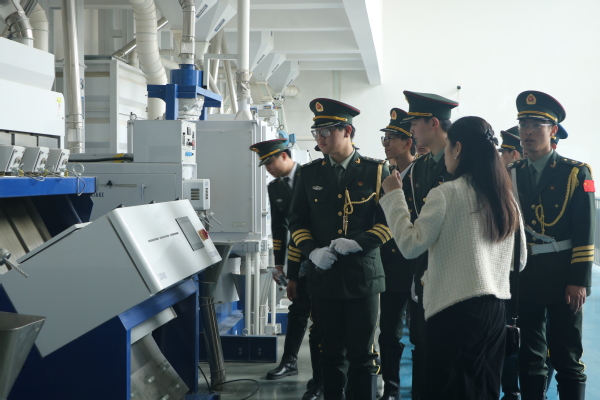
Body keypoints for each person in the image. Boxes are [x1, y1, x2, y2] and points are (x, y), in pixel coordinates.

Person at [380, 116, 526, 400]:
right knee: (484, 389)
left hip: (453, 311)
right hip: (495, 312)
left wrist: (394, 197)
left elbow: (410, 245)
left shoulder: (446, 193)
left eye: (448, 147)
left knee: (446, 390)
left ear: (457, 148)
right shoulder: (506, 197)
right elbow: (518, 262)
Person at [288, 98, 391, 400]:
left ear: (347, 131)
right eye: (316, 132)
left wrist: (359, 243)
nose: (319, 138)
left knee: (362, 354)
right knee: (330, 352)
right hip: (325, 278)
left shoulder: (376, 171)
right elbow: (297, 221)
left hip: (362, 278)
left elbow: (389, 223)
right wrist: (311, 251)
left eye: (326, 131)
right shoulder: (309, 173)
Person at [509, 91, 595, 400]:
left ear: (553, 130)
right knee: (529, 355)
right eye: (524, 125)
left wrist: (579, 280)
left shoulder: (576, 172)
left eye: (536, 125)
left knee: (566, 353)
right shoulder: (512, 173)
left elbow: (585, 230)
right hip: (525, 273)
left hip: (562, 274)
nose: (528, 132)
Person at [249, 139, 323, 400]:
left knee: (322, 315)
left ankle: (324, 374)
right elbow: (279, 227)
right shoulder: (275, 187)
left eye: (270, 161)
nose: (268, 168)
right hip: (296, 257)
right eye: (265, 164)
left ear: (284, 155)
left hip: (321, 254)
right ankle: (289, 361)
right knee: (298, 308)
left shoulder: (312, 176)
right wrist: (279, 262)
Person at [399, 90, 457, 399]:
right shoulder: (419, 168)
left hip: (454, 266)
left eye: (415, 123)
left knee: (451, 348)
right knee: (422, 341)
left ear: (434, 123)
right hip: (422, 267)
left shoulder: (461, 163)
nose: (411, 130)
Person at [378, 108, 416, 400]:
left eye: (393, 138)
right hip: (390, 265)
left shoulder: (424, 174)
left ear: (408, 142)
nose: (387, 143)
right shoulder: (381, 174)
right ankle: (390, 389)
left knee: (422, 334)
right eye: (385, 137)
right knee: (388, 332)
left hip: (418, 266)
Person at [497, 125, 525, 400]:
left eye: (503, 151)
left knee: (531, 332)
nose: (500, 156)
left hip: (526, 270)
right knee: (509, 330)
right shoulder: (501, 184)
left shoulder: (513, 184)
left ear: (514, 154)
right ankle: (511, 389)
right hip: (508, 270)